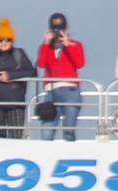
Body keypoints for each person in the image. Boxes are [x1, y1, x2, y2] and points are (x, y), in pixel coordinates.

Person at [0, 19, 36, 137]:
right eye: (0, 39)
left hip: (15, 105)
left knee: (16, 137)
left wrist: (11, 76)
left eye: (7, 39)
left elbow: (31, 72)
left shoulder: (19, 54)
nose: (3, 42)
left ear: (12, 41)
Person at [36, 12, 85, 141]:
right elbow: (41, 63)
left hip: (70, 90)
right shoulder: (46, 47)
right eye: (55, 30)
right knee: (46, 133)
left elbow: (79, 63)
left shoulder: (75, 44)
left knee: (69, 132)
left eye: (61, 29)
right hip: (50, 92)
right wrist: (46, 43)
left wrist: (67, 45)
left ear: (66, 29)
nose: (58, 33)